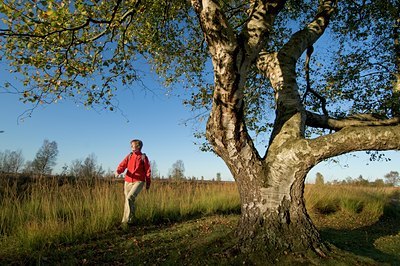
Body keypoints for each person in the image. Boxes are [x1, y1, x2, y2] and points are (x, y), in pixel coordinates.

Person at [115, 139, 151, 226]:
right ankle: (132, 219)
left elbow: (148, 171)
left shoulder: (143, 157)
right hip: (127, 181)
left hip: (139, 181)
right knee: (129, 201)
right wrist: (118, 171)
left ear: (138, 146)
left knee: (129, 198)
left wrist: (148, 183)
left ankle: (125, 222)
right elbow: (123, 165)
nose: (131, 147)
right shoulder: (129, 156)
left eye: (132, 145)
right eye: (131, 146)